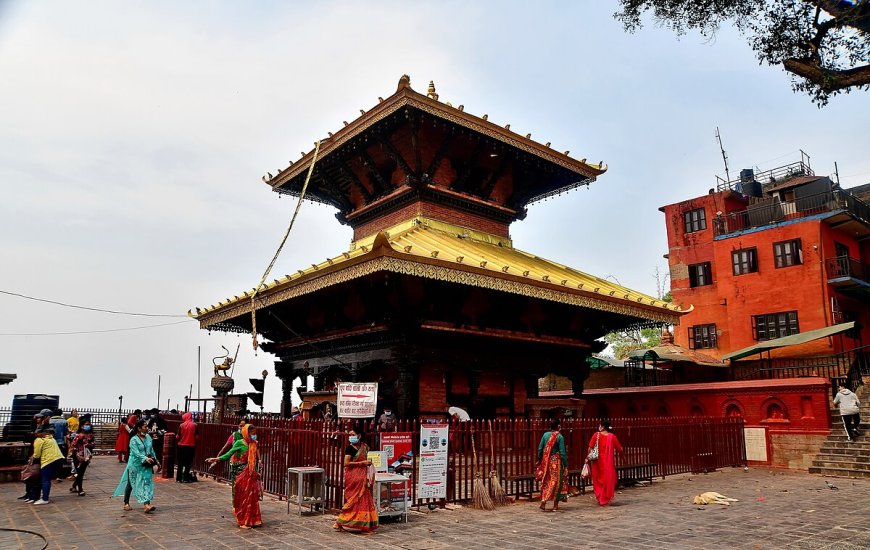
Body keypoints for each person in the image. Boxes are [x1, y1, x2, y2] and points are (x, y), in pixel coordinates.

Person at [207, 424, 262, 528]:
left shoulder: (254, 444)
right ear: (246, 433)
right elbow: (229, 454)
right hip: (241, 473)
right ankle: (243, 521)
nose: (254, 436)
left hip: (251, 474)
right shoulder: (239, 443)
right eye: (252, 434)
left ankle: (253, 519)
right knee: (243, 497)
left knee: (252, 497)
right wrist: (217, 459)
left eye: (255, 434)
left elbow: (254, 460)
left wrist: (257, 471)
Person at [333, 428, 378, 534]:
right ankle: (340, 522)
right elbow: (346, 463)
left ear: (359, 436)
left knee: (364, 500)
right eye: (349, 434)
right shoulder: (349, 449)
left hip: (362, 476)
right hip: (353, 477)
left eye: (353, 434)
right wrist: (362, 463)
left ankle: (364, 526)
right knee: (352, 501)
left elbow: (366, 460)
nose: (350, 436)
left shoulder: (365, 447)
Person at [112, 419, 158, 513]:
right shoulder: (133, 440)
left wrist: (156, 460)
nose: (147, 428)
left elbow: (151, 449)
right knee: (131, 483)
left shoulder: (148, 437)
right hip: (135, 464)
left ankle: (147, 504)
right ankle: (126, 503)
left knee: (146, 482)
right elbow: (136, 453)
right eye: (145, 426)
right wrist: (145, 458)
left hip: (146, 464)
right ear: (139, 428)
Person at [585, 420, 623, 506]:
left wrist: (587, 457)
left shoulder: (596, 435)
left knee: (597, 478)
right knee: (607, 479)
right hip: (607, 461)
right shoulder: (612, 436)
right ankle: (604, 497)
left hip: (597, 460)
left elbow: (590, 448)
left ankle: (599, 496)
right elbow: (620, 448)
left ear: (602, 427)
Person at [27, 424, 65, 505]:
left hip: (48, 460)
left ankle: (45, 498)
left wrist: (32, 457)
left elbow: (37, 455)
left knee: (45, 480)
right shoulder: (51, 439)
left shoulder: (39, 440)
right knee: (46, 479)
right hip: (58, 459)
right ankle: (42, 496)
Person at [537, 418, 568, 511]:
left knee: (547, 481)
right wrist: (565, 465)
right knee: (557, 482)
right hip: (556, 462)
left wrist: (539, 459)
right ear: (558, 426)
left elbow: (540, 449)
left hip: (546, 462)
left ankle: (543, 501)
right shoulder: (559, 437)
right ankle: (555, 505)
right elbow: (562, 452)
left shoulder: (545, 435)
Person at [69, 415, 94, 496]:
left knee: (81, 473)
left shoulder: (90, 436)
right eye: (86, 424)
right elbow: (73, 446)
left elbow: (92, 446)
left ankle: (74, 486)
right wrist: (76, 455)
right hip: (78, 457)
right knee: (80, 473)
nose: (88, 426)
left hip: (87, 457)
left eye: (89, 424)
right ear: (82, 426)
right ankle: (80, 489)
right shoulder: (78, 436)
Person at [176, 411, 198, 483]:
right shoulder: (195, 425)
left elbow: (177, 436)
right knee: (188, 463)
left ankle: (178, 478)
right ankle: (186, 478)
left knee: (180, 463)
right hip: (190, 446)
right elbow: (197, 437)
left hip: (181, 446)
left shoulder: (181, 425)